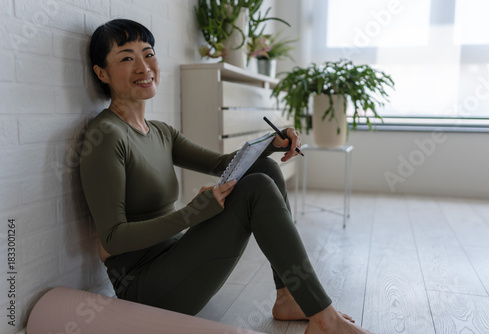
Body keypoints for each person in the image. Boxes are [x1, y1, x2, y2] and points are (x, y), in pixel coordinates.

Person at [80, 18, 372, 334]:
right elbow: (112, 238)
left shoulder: (161, 132)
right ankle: (325, 320)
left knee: (265, 169)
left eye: (148, 53)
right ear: (101, 72)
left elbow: (223, 163)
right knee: (257, 186)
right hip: (144, 288)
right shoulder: (106, 135)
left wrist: (271, 143)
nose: (143, 66)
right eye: (126, 58)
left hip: (175, 258)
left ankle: (288, 295)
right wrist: (193, 213)